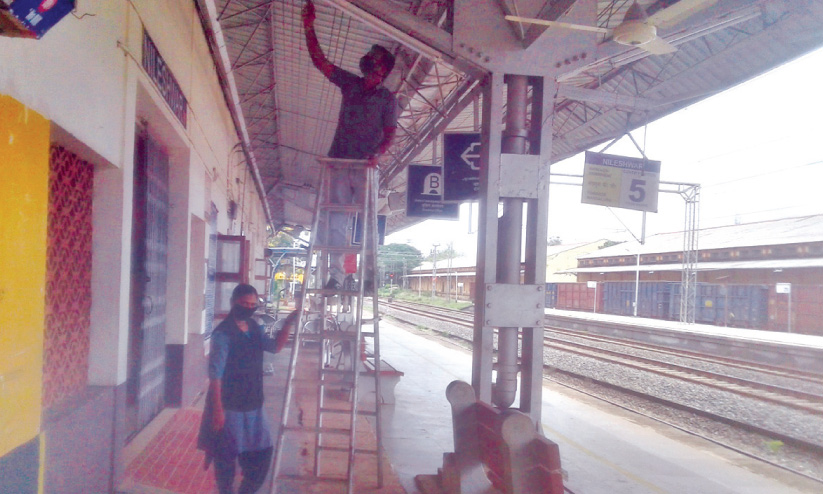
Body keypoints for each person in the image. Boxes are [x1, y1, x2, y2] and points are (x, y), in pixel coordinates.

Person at [302, 0, 398, 290]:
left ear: (381, 70)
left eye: (374, 59)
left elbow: (390, 133)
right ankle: (335, 276)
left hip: (364, 165)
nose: (368, 61)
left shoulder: (386, 99)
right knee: (336, 220)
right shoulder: (351, 84)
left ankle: (368, 276)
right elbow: (320, 61)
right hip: (340, 163)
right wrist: (309, 27)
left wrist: (377, 155)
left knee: (367, 221)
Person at [200, 284, 291, 494]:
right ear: (233, 303)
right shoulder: (222, 334)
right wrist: (218, 410)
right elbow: (215, 376)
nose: (249, 308)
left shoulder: (254, 327)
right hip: (230, 406)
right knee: (226, 457)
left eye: (253, 304)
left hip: (253, 404)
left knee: (262, 453)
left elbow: (275, 347)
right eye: (244, 303)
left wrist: (287, 324)